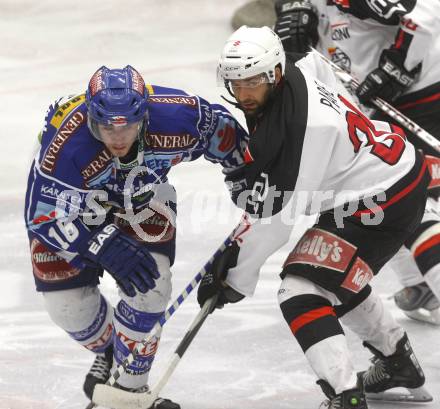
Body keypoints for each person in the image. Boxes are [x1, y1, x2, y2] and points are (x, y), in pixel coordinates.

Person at [197, 26, 430, 408]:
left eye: (253, 81)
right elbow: (319, 65)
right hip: (390, 176)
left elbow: (278, 219)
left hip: (378, 199)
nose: (244, 93)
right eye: (236, 83)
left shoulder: (303, 130)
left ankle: (346, 396)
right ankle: (397, 364)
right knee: (331, 276)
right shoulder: (295, 69)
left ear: (273, 73)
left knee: (300, 290)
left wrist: (236, 276)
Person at [24, 65, 248, 407]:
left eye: (127, 125)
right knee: (68, 307)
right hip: (73, 205)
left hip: (141, 194)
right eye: (106, 127)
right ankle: (113, 351)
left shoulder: (176, 114)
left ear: (144, 115)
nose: (117, 137)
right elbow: (42, 213)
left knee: (152, 287)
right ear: (90, 120)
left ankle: (128, 392)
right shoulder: (67, 146)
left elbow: (225, 131)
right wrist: (102, 244)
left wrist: (245, 175)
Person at [273, 0, 440, 324]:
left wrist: (396, 68)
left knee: (412, 197)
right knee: (375, 193)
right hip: (379, 108)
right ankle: (419, 284)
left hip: (420, 99)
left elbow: (426, 16)